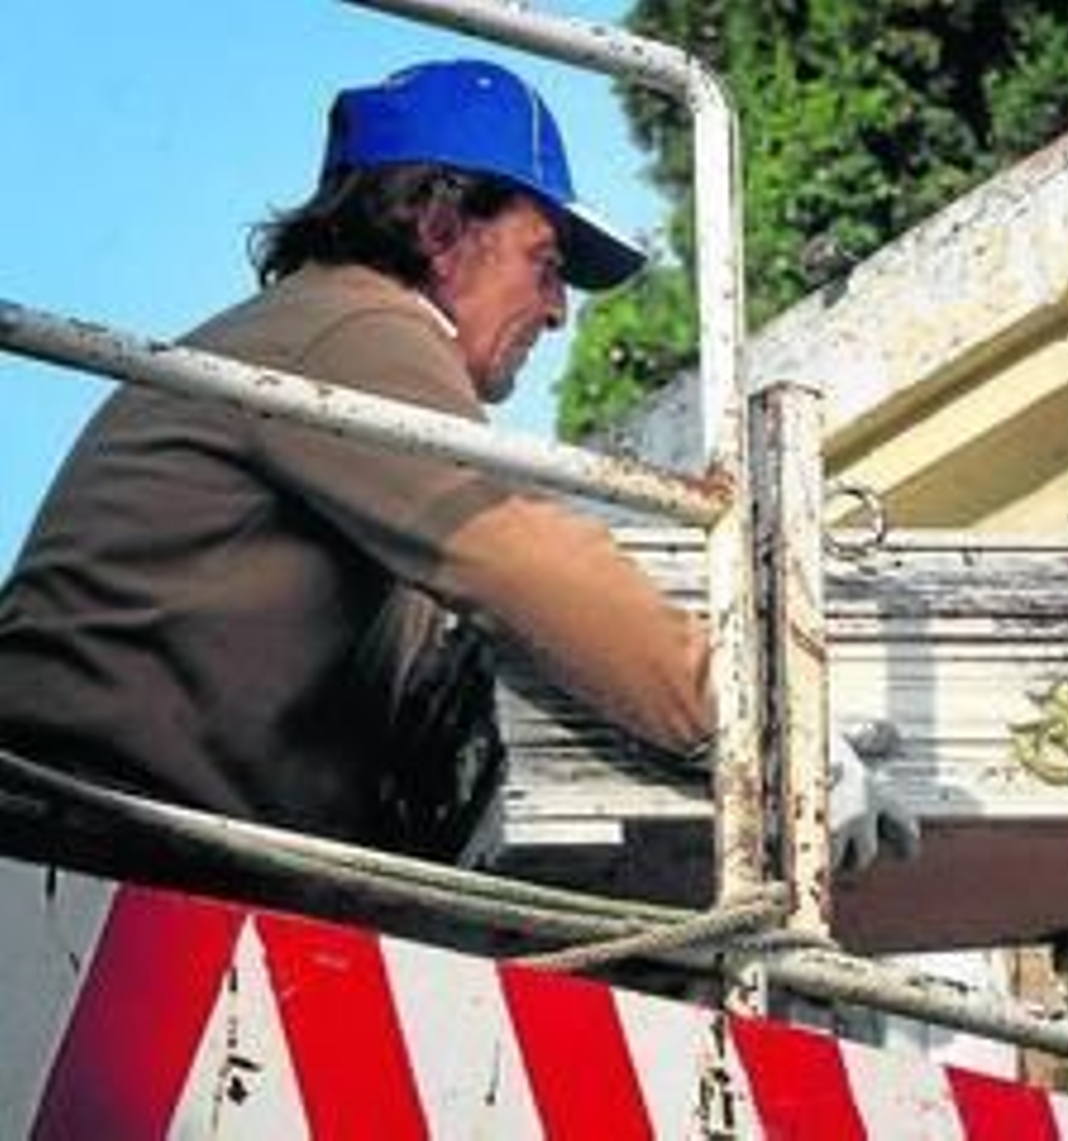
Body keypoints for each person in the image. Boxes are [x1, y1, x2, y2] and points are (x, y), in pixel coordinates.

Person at [0, 59, 715, 864]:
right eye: (544, 265)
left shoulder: (318, 360)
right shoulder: (355, 328)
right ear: (439, 227)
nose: (556, 313)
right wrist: (752, 725)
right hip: (79, 835)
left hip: (107, 838)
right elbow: (526, 561)